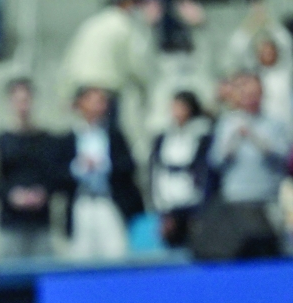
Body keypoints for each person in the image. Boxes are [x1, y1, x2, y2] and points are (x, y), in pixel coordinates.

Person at [61, 87, 143, 261]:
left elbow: (128, 166)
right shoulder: (69, 138)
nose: (99, 106)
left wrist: (103, 165)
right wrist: (80, 167)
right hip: (81, 202)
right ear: (80, 104)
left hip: (107, 200)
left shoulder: (114, 136)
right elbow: (58, 173)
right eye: (93, 101)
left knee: (116, 251)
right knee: (80, 255)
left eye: (102, 101)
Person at [0, 79, 61, 260]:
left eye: (26, 100)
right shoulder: (1, 142)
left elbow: (54, 175)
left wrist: (43, 192)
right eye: (18, 100)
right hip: (11, 222)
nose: (22, 106)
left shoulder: (47, 140)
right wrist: (12, 195)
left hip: (41, 222)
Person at [209, 72, 291, 205]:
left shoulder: (276, 123)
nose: (250, 98)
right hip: (235, 195)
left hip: (267, 194)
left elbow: (284, 158)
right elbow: (215, 161)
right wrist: (233, 139)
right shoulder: (226, 123)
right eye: (245, 94)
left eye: (254, 94)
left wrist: (254, 137)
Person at [149, 91, 214, 248]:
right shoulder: (164, 137)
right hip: (169, 199)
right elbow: (156, 171)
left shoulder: (202, 134)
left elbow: (205, 171)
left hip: (193, 200)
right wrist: (162, 210)